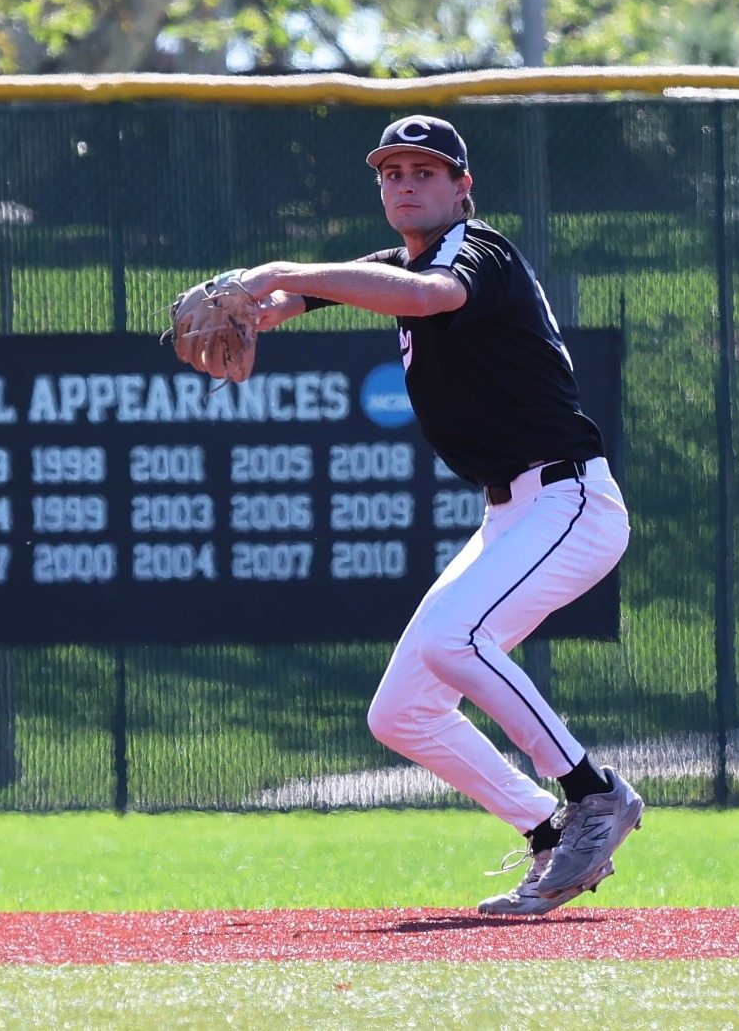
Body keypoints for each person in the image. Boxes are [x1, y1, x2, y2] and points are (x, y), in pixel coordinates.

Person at [233, 114, 644, 915]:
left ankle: (593, 792)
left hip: (570, 500)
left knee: (458, 638)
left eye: (424, 171)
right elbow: (317, 291)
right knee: (403, 711)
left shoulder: (475, 252)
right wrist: (260, 308)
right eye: (391, 173)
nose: (405, 184)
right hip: (513, 514)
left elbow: (427, 296)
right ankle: (547, 832)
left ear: (463, 188)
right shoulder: (405, 259)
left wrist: (277, 269)